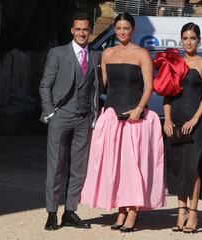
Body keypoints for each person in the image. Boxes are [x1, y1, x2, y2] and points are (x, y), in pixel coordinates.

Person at [80, 12, 165, 232]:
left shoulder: (142, 54)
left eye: (126, 28)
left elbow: (149, 87)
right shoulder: (107, 53)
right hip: (111, 115)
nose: (122, 32)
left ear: (133, 30)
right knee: (113, 165)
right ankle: (120, 209)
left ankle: (133, 210)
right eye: (118, 28)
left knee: (131, 165)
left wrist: (138, 109)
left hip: (134, 117)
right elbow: (102, 85)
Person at [39, 13, 101, 230]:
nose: (82, 33)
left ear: (90, 31)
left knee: (78, 167)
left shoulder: (96, 56)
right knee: (55, 166)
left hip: (84, 118)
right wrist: (50, 112)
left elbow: (96, 88)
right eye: (78, 29)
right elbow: (45, 85)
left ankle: (71, 212)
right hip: (61, 116)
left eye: (85, 30)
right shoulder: (57, 53)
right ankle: (52, 212)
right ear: (72, 31)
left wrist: (94, 114)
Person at [163, 23, 202, 233]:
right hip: (174, 121)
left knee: (193, 168)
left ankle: (193, 213)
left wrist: (194, 120)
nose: (189, 41)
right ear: (181, 40)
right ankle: (181, 210)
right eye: (185, 38)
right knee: (178, 168)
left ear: (199, 40)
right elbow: (167, 93)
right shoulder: (174, 63)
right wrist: (166, 119)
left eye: (192, 37)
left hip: (196, 123)